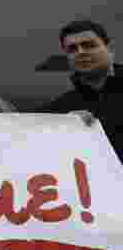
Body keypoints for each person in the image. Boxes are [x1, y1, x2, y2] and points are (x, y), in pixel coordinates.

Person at [39, 20, 123, 164]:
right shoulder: (59, 110)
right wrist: (66, 126)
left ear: (109, 49)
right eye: (72, 49)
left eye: (89, 45)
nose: (81, 52)